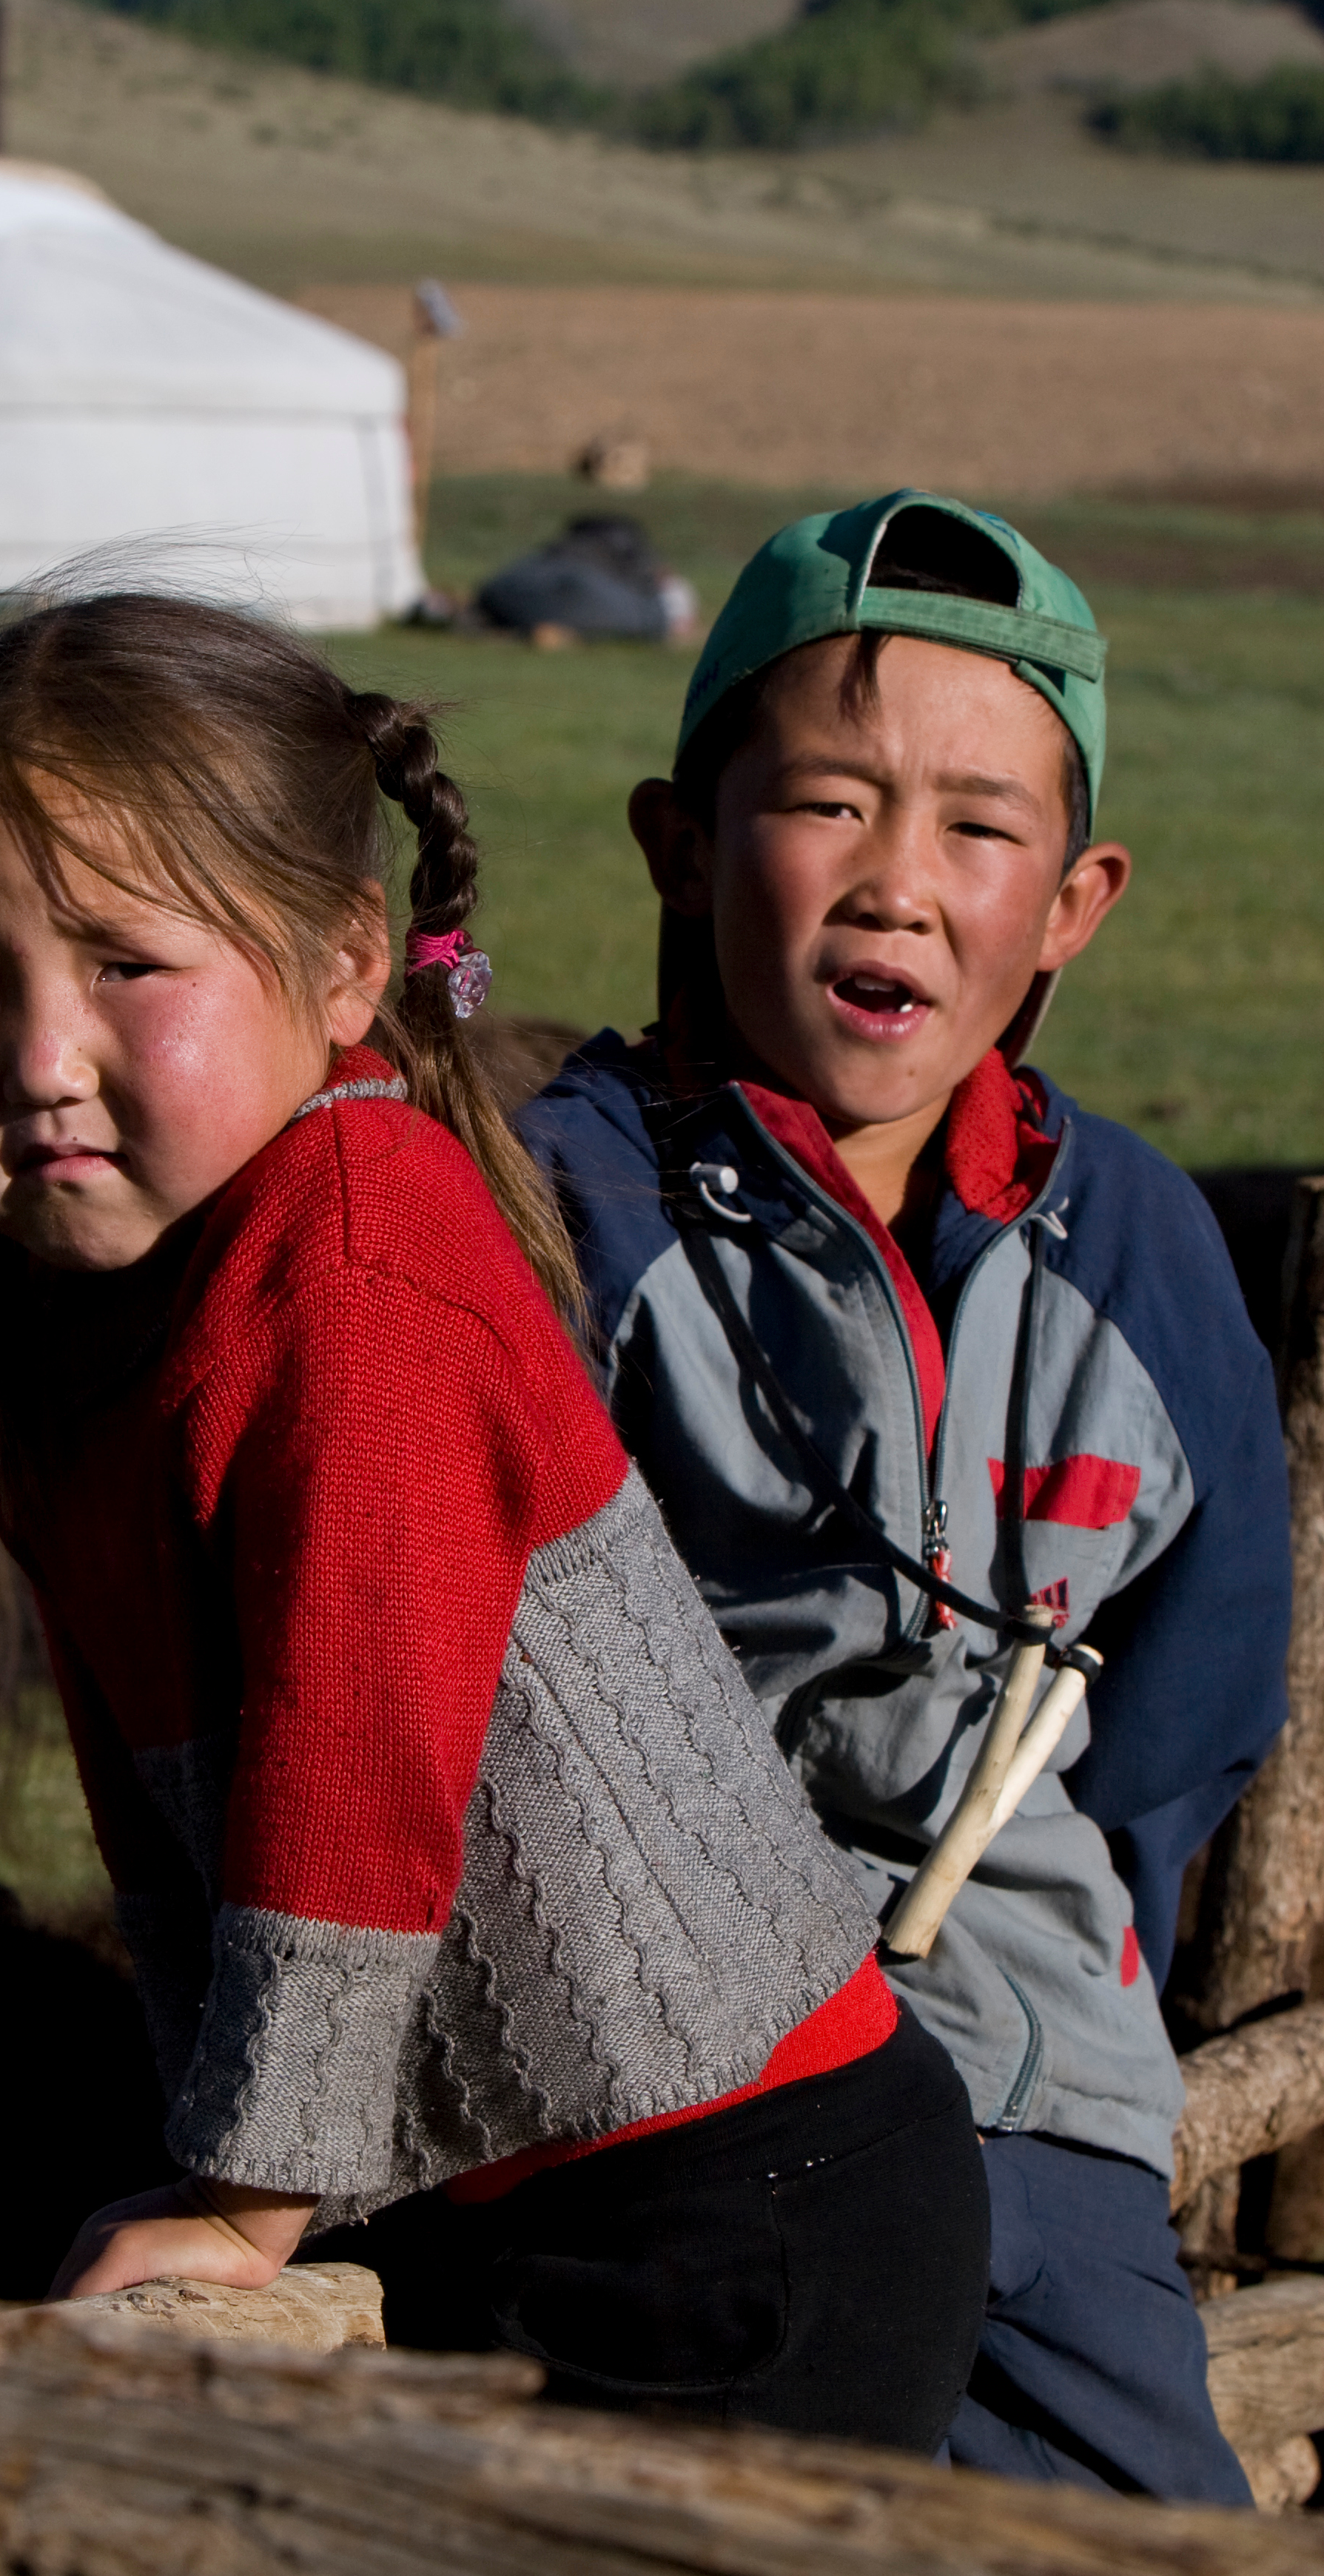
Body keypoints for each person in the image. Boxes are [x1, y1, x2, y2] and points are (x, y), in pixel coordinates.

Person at [0, 587, 989, 2444]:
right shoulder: (64, 1339)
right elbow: (171, 1827)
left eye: (128, 964)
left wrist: (245, 2189)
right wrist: (231, 2158)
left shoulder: (355, 1254)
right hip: (512, 2191)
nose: (38, 1056)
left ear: (343, 966)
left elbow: (349, 1768)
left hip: (743, 2201)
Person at [520, 490, 1291, 2502]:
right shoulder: (569, 1209)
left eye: (978, 827)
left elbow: (1190, 1703)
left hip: (1040, 2079)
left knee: (1153, 2531)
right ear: (680, 845)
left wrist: (1063, 1957)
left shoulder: (1125, 1239)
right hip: (696, 2082)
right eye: (830, 805)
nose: (899, 886)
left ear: (1078, 899)